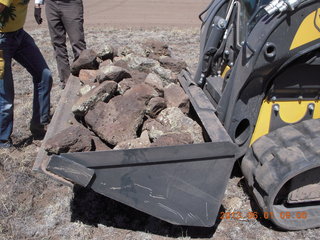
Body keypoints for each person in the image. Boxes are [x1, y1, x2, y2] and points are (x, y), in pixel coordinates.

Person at [0, 0, 53, 148]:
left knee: (44, 75)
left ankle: (39, 126)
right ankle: (3, 142)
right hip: (2, 38)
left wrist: (37, 7)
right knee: (5, 96)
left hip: (19, 34)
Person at [34, 0, 86, 88]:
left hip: (71, 4)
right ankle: (66, 81)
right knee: (57, 43)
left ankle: (84, 78)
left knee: (77, 42)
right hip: (51, 4)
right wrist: (37, 4)